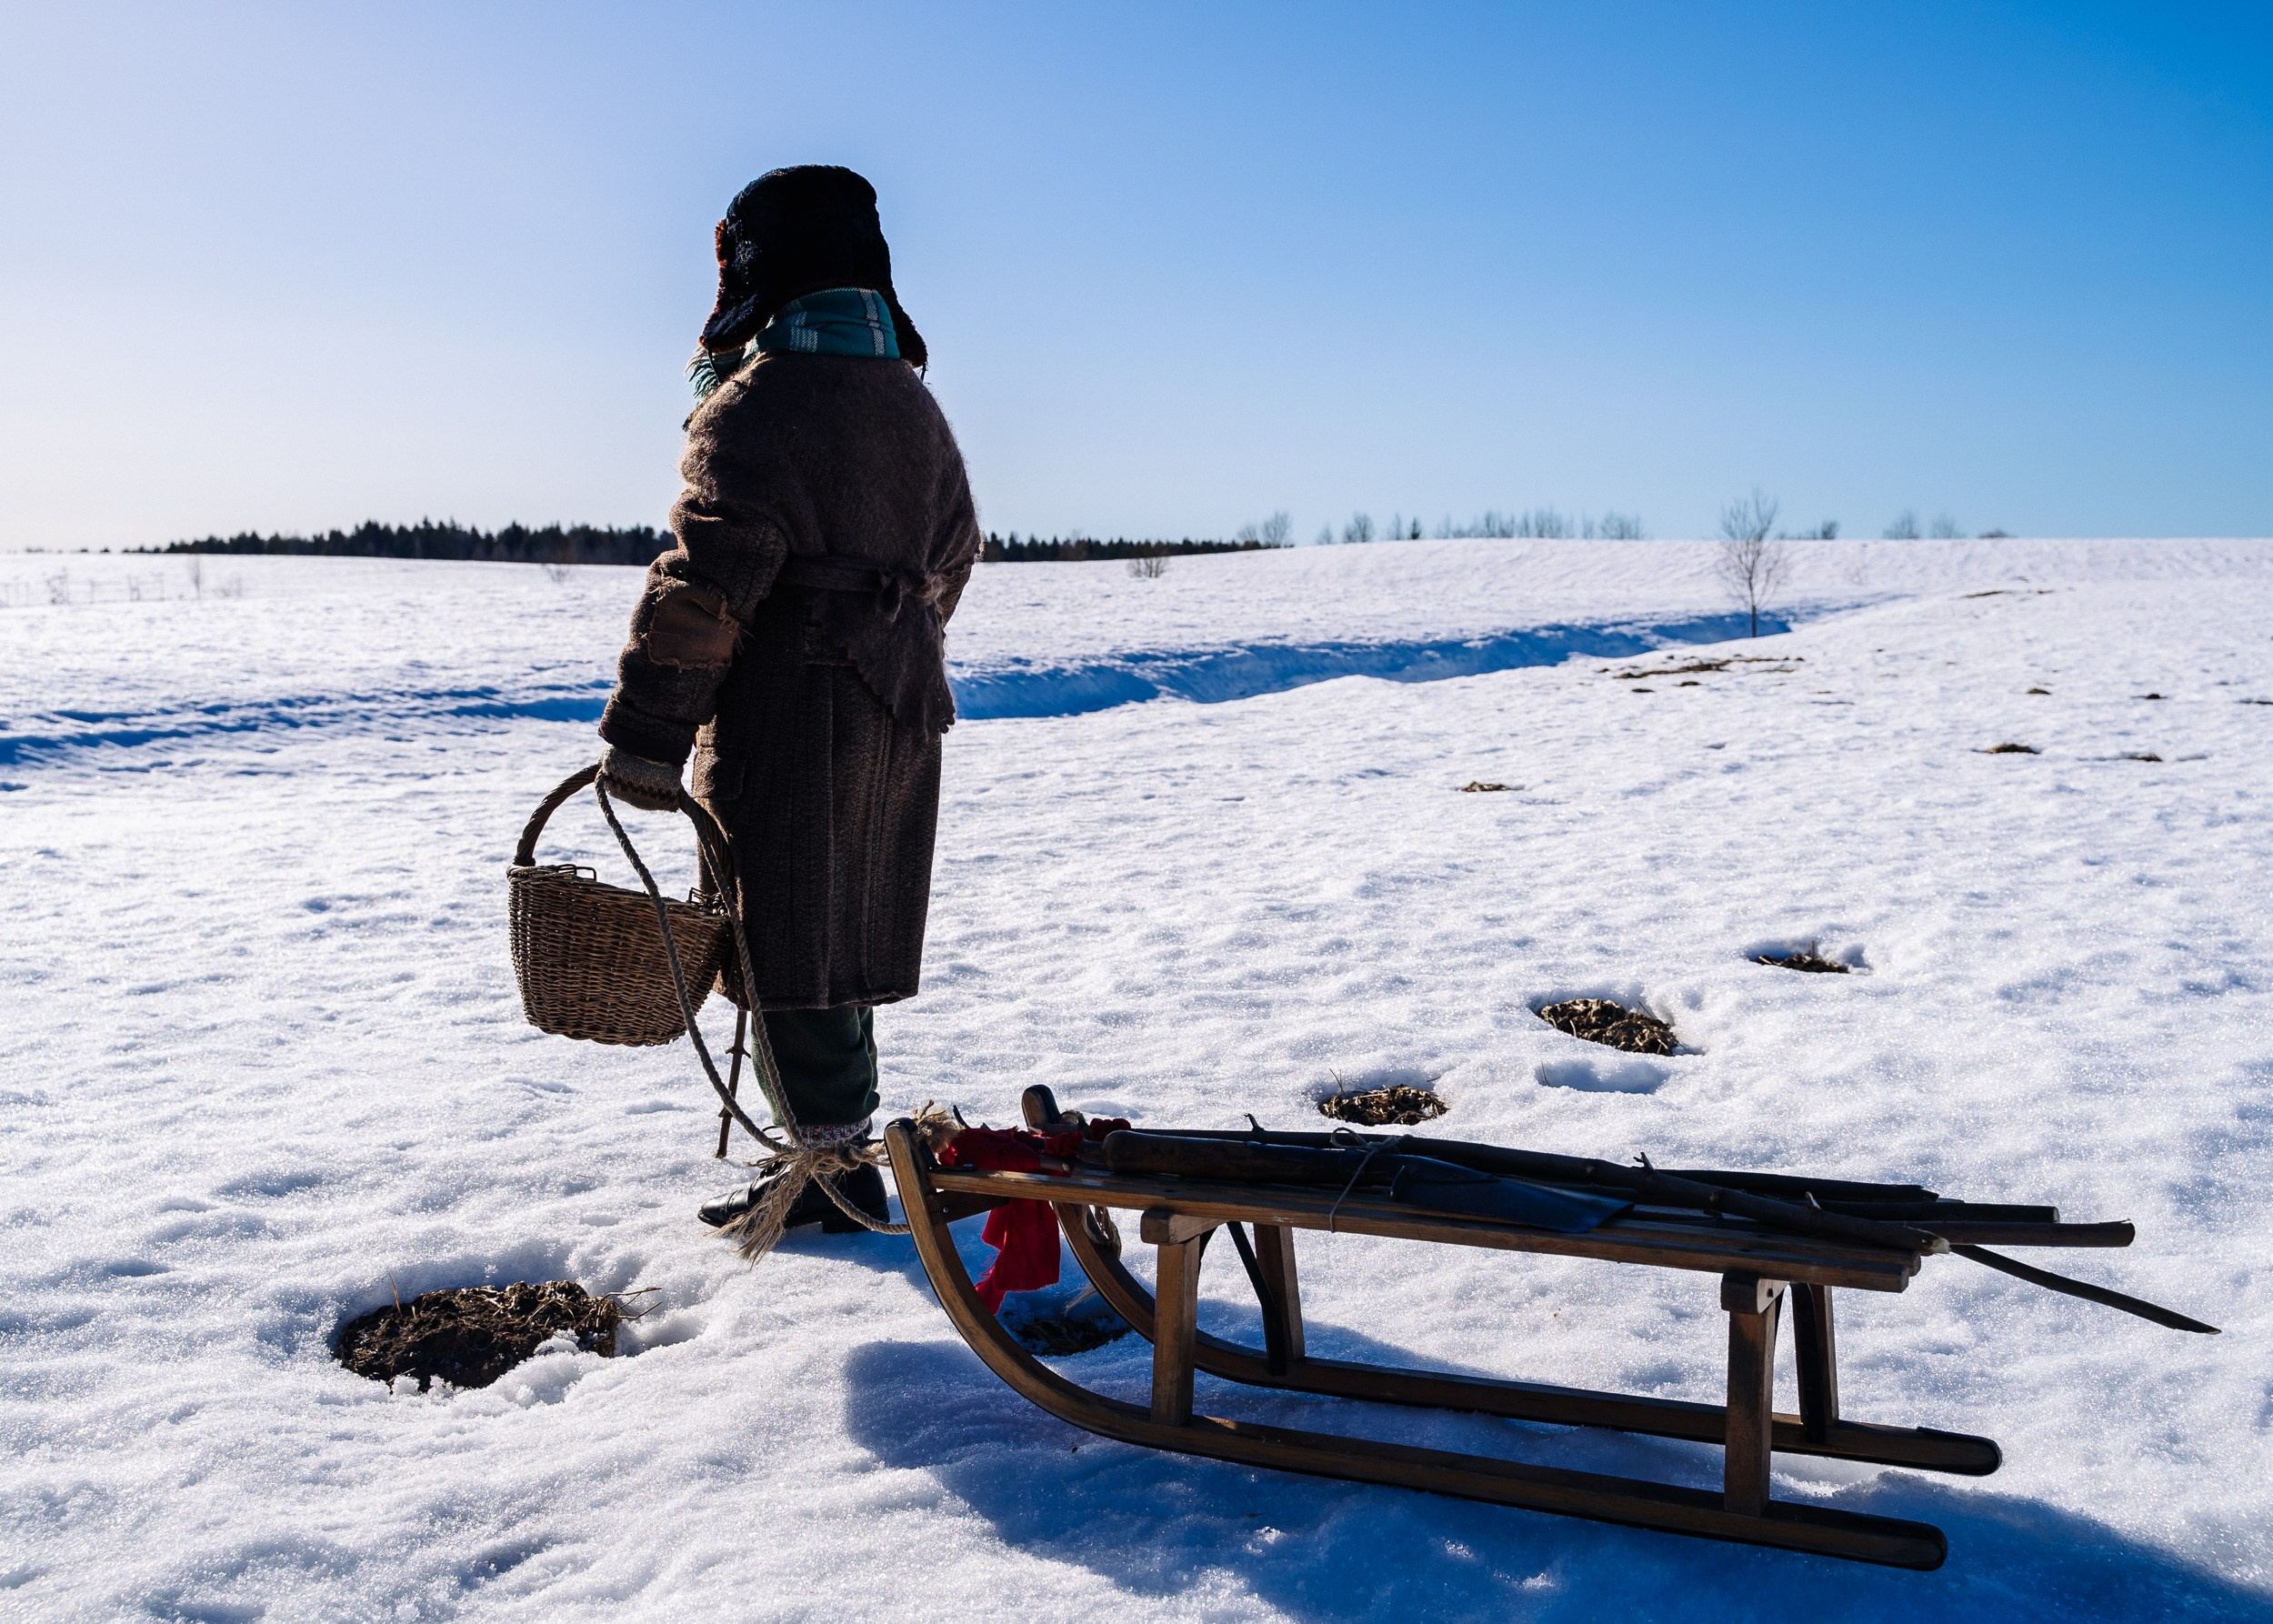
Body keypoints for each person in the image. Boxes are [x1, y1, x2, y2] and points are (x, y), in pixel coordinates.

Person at [594, 165, 980, 1234]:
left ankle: (829, 1176)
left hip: (787, 716)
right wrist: (888, 628)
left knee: (784, 944)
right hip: (895, 704)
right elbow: (956, 552)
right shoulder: (911, 400)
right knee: (833, 936)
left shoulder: (758, 403)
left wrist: (645, 735)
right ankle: (839, 1153)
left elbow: (704, 584)